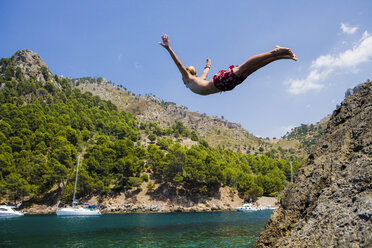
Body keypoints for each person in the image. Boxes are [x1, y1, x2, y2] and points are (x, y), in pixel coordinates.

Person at [159, 34, 297, 95]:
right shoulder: (198, 80)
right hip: (225, 86)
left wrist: (169, 48)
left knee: (244, 67)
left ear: (187, 74)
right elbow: (206, 72)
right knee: (252, 69)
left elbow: (178, 64)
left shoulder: (189, 79)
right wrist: (207, 65)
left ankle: (274, 52)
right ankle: (281, 56)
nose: (182, 79)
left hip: (220, 83)